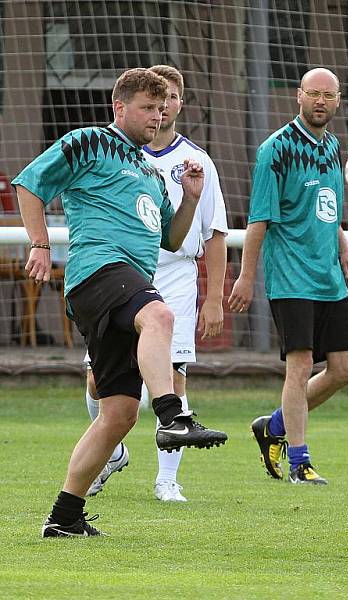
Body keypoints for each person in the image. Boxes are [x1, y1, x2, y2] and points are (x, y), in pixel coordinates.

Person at [12, 68, 228, 537]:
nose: (159, 114)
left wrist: (190, 199)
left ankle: (64, 516)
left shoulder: (150, 171)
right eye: (148, 108)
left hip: (124, 282)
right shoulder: (88, 141)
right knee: (161, 313)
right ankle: (174, 416)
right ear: (120, 108)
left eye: (163, 106)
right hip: (98, 272)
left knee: (119, 414)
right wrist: (40, 244)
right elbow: (28, 184)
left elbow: (172, 239)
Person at [83, 65, 229, 502]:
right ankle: (110, 450)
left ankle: (167, 478)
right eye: (153, 102)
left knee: (175, 375)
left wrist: (216, 297)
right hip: (120, 271)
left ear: (180, 104)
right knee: (98, 381)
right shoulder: (119, 152)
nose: (162, 108)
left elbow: (214, 232)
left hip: (176, 276)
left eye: (170, 99)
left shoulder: (197, 162)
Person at [228, 67, 348, 486]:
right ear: (298, 97)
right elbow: (259, 220)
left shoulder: (332, 146)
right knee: (299, 366)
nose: (320, 101)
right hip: (291, 277)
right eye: (313, 94)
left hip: (329, 278)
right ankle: (299, 463)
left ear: (338, 100)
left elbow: (329, 207)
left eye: (328, 95)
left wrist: (345, 248)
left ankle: (275, 426)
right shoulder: (276, 150)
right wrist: (247, 277)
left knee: (346, 369)